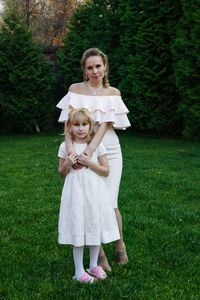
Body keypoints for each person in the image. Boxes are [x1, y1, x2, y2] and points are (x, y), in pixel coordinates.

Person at [57, 48, 131, 271]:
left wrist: (90, 150)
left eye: (98, 66)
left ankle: (119, 244)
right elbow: (68, 123)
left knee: (110, 201)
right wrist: (71, 150)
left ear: (105, 66)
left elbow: (106, 125)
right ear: (84, 69)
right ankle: (98, 254)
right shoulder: (75, 90)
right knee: (87, 201)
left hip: (108, 148)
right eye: (90, 67)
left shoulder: (113, 93)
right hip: (79, 149)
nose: (95, 71)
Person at [58, 108, 120, 283]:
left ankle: (93, 265)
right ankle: (78, 271)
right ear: (69, 127)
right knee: (78, 227)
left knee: (94, 227)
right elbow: (61, 172)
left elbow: (106, 171)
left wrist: (89, 162)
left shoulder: (97, 146)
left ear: (90, 126)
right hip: (75, 193)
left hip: (94, 193)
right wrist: (68, 163)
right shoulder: (64, 147)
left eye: (84, 124)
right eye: (76, 125)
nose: (80, 128)